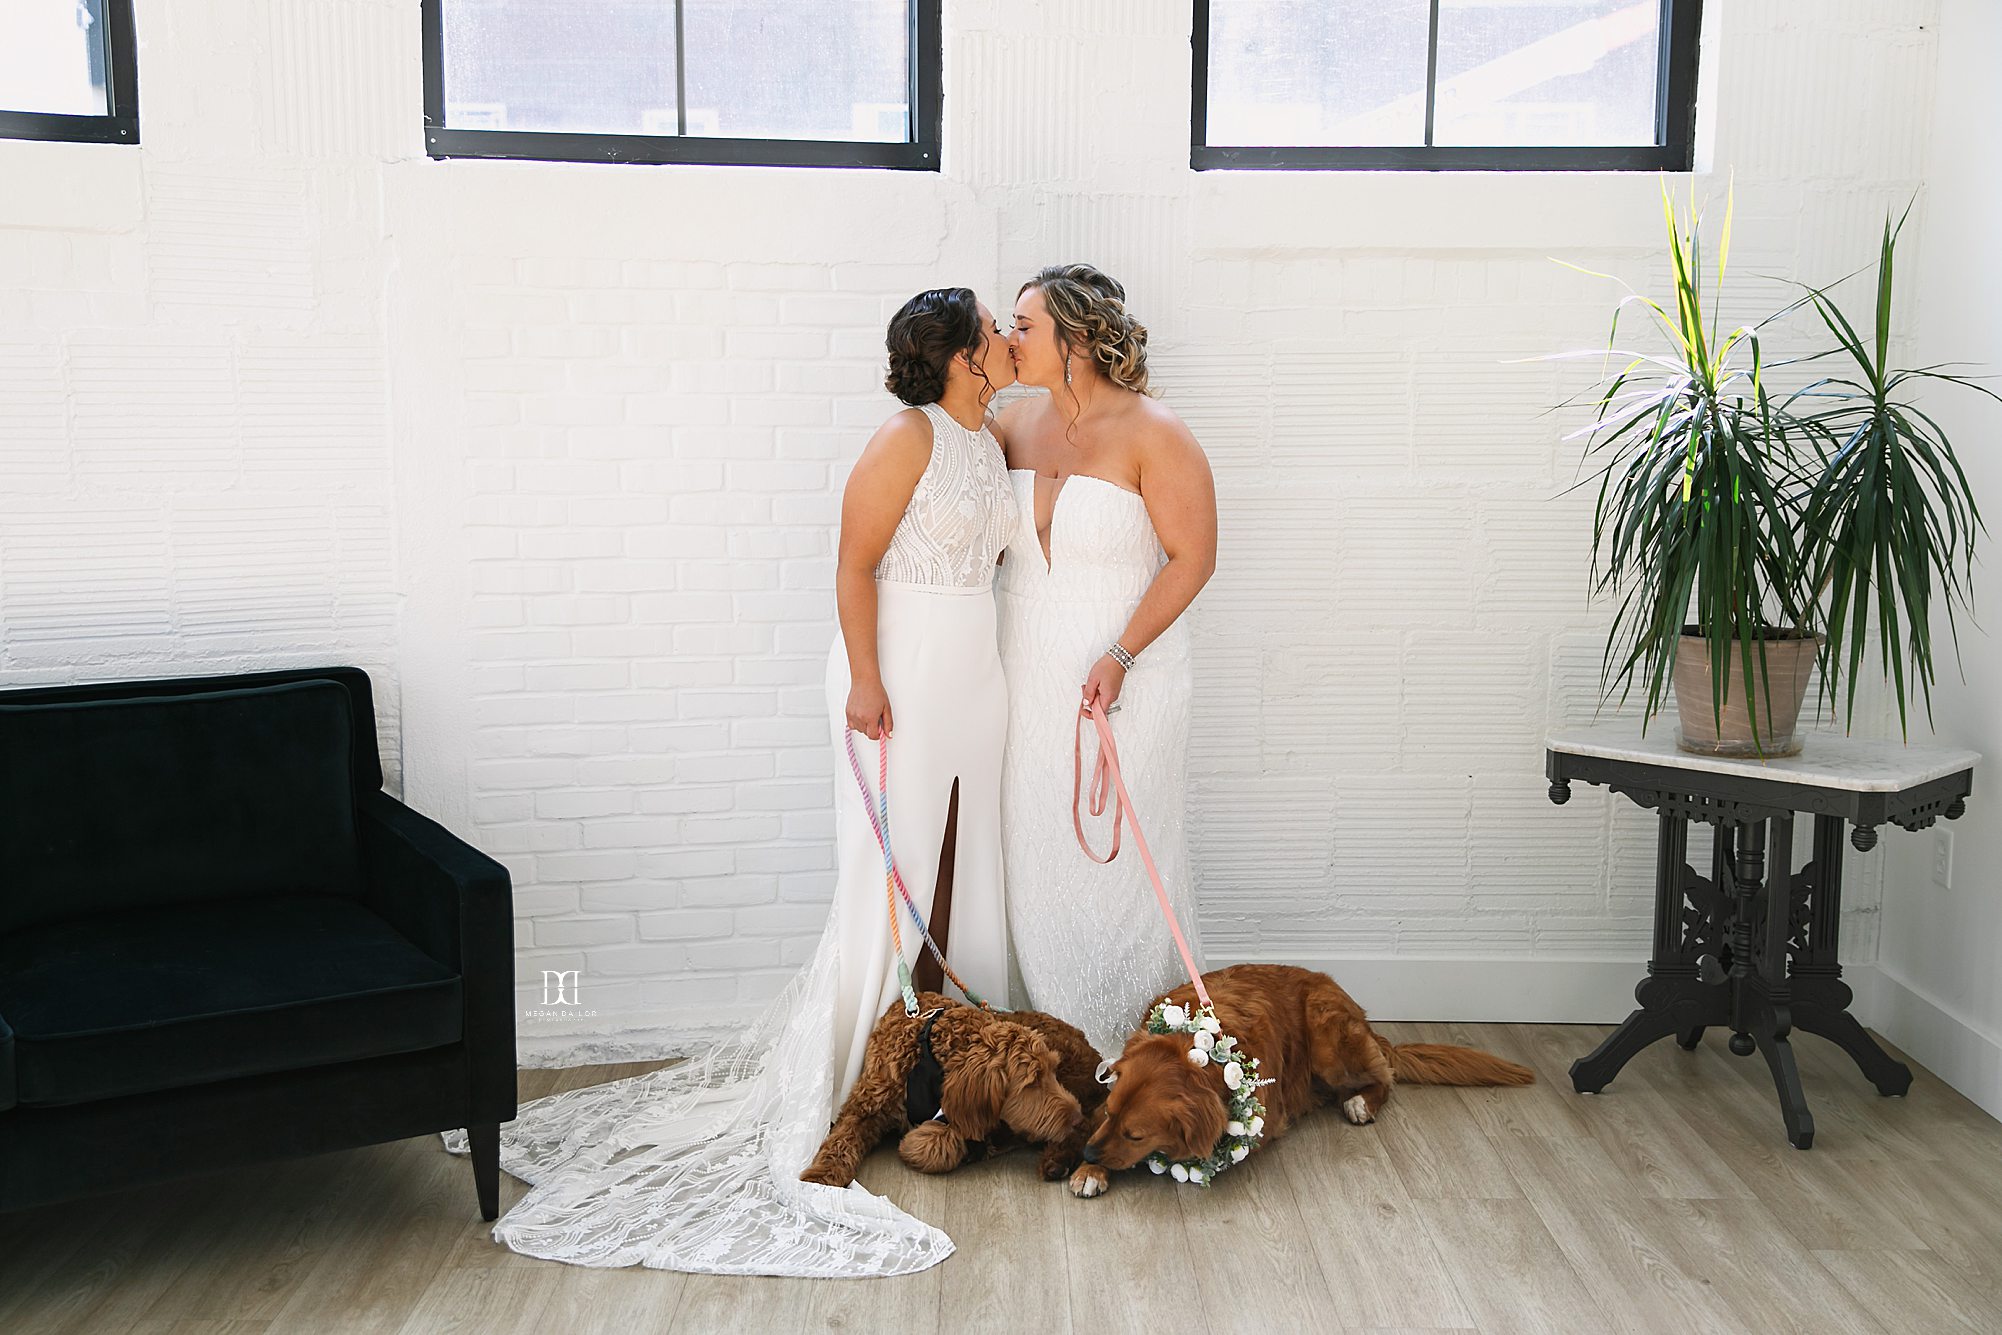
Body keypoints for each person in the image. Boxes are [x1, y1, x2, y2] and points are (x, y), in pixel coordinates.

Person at [443, 287, 1019, 1278]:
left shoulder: (991, 440)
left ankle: (956, 1069)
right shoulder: (906, 437)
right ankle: (854, 1078)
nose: (1010, 343)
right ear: (962, 358)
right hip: (902, 671)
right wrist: (868, 679)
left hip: (976, 672)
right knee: (889, 874)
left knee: (965, 866)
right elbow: (851, 564)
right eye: (995, 334)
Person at [995, 263, 1218, 1060]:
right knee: (1035, 851)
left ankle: (1136, 1049)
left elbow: (1192, 557)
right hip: (1023, 671)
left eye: (1025, 326)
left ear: (1077, 339)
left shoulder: (1157, 432)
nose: (1010, 338)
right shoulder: (1013, 424)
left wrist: (1121, 654)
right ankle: (1052, 1048)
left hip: (1129, 675)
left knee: (1121, 858)